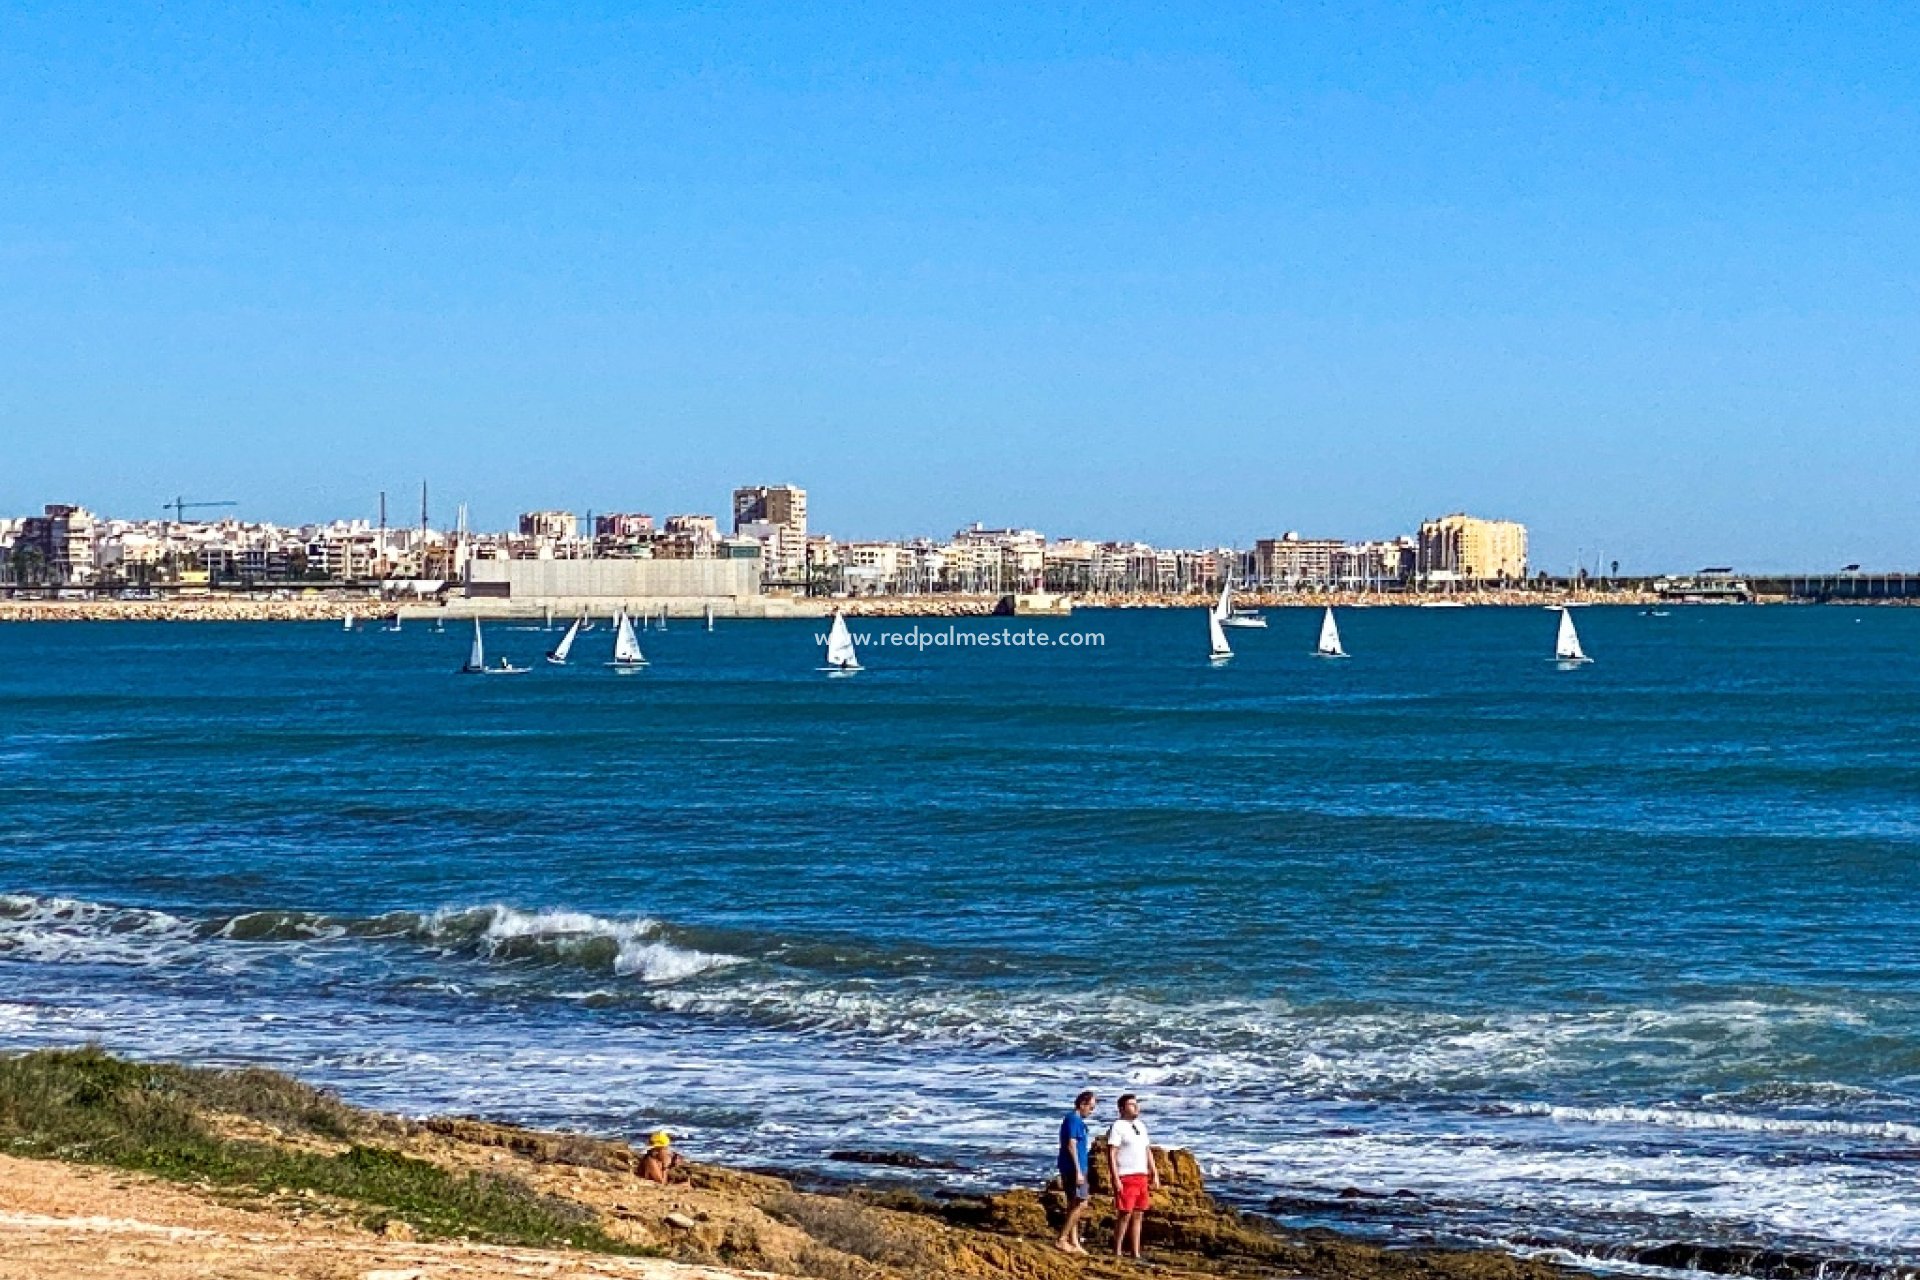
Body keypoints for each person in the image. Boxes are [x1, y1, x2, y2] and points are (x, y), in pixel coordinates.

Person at [1106, 1094, 1160, 1260]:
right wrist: (1115, 1178)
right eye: (1131, 1105)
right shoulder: (1117, 1126)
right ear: (1121, 1109)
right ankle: (1117, 1250)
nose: (1136, 1107)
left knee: (1139, 1214)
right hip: (1126, 1175)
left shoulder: (1141, 1126)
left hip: (1141, 1174)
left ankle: (1135, 1252)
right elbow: (1111, 1153)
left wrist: (1154, 1172)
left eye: (1136, 1104)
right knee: (1125, 1214)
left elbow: (1147, 1150)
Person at [1054, 1090, 1097, 1253]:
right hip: (1074, 1168)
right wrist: (1079, 1170)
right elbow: (1071, 1145)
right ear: (1082, 1104)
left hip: (1076, 1167)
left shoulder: (1076, 1120)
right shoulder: (1073, 1119)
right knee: (1081, 1203)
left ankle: (1074, 1241)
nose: (1091, 1112)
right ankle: (1062, 1239)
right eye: (1090, 1108)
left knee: (1074, 1203)